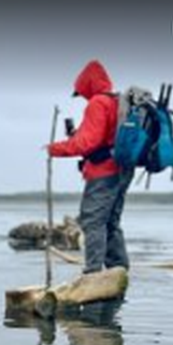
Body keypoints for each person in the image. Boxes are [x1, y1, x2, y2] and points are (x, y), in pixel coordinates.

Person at [47, 60, 134, 274]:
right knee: (111, 222)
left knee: (93, 221)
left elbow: (87, 143)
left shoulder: (98, 103)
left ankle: (93, 274)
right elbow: (103, 137)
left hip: (104, 172)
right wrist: (76, 136)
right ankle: (118, 271)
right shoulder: (117, 101)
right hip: (123, 169)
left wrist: (54, 148)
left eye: (82, 92)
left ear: (88, 86)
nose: (83, 97)